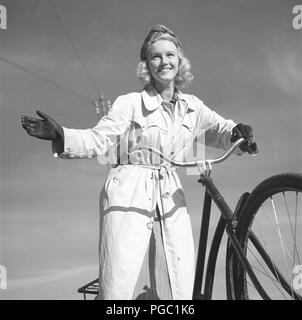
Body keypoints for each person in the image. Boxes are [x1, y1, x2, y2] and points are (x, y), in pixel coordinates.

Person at [21, 24, 258, 300]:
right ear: (146, 65)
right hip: (129, 187)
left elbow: (220, 129)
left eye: (169, 54)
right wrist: (63, 136)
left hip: (170, 191)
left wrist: (237, 132)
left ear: (179, 60)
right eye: (155, 56)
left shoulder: (193, 107)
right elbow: (100, 139)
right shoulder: (130, 103)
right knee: (116, 285)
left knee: (178, 284)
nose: (163, 62)